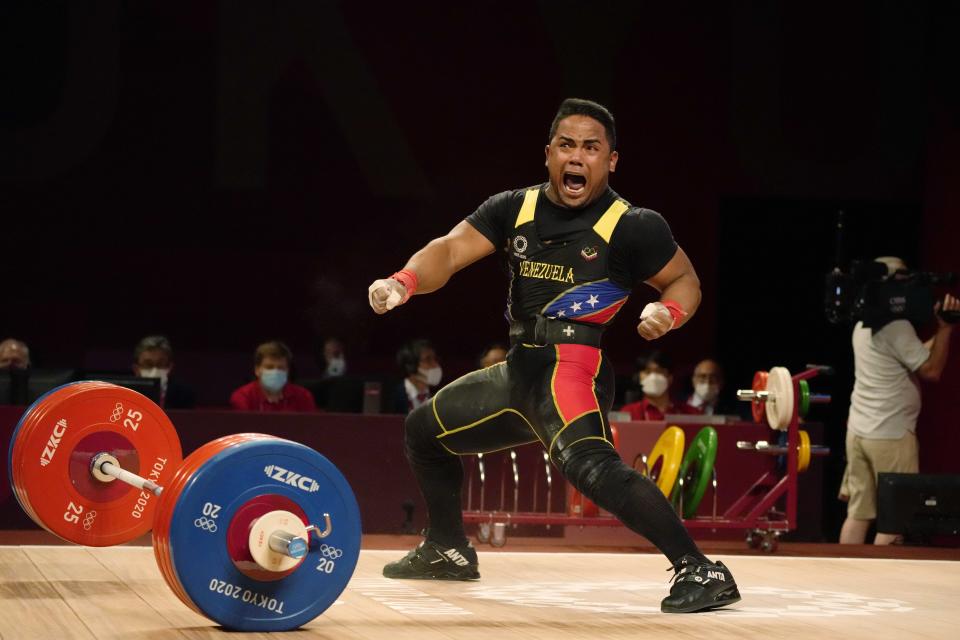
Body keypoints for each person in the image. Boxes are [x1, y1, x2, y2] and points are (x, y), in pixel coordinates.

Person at [367, 98, 739, 613]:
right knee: (423, 432)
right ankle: (447, 549)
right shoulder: (512, 208)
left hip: (574, 368)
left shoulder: (632, 224)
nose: (577, 158)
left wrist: (669, 311)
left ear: (611, 161)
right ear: (548, 155)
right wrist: (403, 280)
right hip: (521, 369)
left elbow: (685, 279)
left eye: (592, 148)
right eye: (567, 145)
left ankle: (701, 569)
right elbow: (450, 249)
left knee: (591, 467)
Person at [839, 257, 957, 545]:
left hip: (859, 431)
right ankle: (878, 583)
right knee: (895, 518)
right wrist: (946, 329)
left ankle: (842, 574)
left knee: (858, 513)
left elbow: (912, 356)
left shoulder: (864, 324)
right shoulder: (897, 328)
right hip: (890, 434)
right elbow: (931, 370)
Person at [230, 340, 317, 412]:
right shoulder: (243, 397)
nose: (276, 372)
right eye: (269, 367)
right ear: (257, 370)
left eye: (281, 368)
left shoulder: (304, 396)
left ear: (288, 370)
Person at [619, 351, 700, 420]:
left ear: (670, 377)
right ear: (639, 378)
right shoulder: (628, 412)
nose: (653, 377)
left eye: (659, 371)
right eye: (647, 372)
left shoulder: (691, 413)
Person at [132, 335, 196, 409]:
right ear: (136, 369)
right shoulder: (127, 395)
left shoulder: (185, 395)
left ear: (169, 367)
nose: (154, 369)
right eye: (148, 364)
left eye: (160, 364)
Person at [391, 339, 443, 413]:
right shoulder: (390, 397)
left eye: (435, 359)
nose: (436, 365)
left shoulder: (441, 399)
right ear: (411, 365)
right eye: (428, 360)